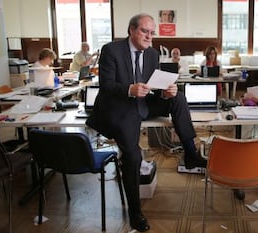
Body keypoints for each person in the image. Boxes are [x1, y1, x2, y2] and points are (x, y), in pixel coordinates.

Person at [86, 13, 206, 232]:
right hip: (120, 107)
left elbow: (153, 87)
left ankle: (190, 152)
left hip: (142, 103)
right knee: (132, 156)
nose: (149, 37)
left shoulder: (152, 54)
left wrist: (165, 94)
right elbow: (106, 86)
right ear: (131, 30)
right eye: (144, 31)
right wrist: (129, 89)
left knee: (177, 96)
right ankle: (135, 212)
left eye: (152, 33)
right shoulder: (111, 50)